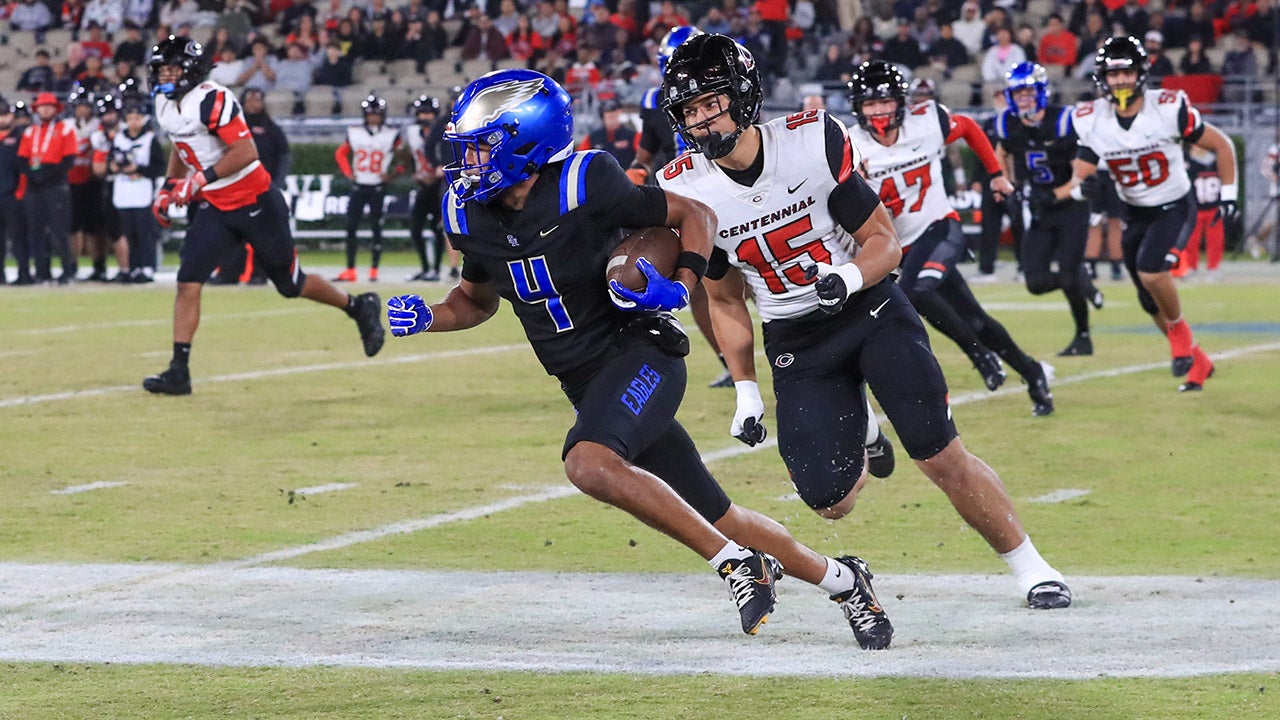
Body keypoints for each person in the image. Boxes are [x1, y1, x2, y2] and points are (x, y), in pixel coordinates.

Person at [384, 68, 895, 646]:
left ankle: (736, 565)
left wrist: (681, 283)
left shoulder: (584, 181)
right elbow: (476, 302)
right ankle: (845, 581)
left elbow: (694, 217)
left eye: (482, 146)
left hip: (642, 354)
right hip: (585, 381)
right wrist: (432, 314)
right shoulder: (466, 214)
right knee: (721, 515)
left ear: (527, 138)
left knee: (588, 463)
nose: (468, 162)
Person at [657, 34, 1070, 610]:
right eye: (691, 110)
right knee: (830, 502)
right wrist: (746, 391)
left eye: (712, 102)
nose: (702, 120)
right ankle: (867, 429)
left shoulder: (809, 141)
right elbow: (724, 300)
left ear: (744, 94)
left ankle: (1033, 568)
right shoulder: (684, 186)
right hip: (795, 339)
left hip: (869, 309)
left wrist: (848, 277)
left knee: (937, 451)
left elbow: (883, 240)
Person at [142, 35, 385, 396]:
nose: (165, 76)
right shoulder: (165, 103)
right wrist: (167, 188)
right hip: (216, 205)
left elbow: (245, 151)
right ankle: (179, 369)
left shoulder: (212, 98)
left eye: (172, 68)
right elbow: (182, 144)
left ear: (190, 70)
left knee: (290, 284)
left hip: (254, 200)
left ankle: (358, 306)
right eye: (161, 69)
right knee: (188, 280)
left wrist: (196, 182)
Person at [847, 60, 1056, 417]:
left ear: (901, 102)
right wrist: (856, 182)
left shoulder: (926, 121)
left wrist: (995, 174)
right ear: (858, 108)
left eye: (885, 101)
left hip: (939, 227)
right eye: (870, 103)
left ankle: (980, 356)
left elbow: (970, 128)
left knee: (915, 293)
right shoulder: (849, 144)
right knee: (975, 319)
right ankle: (1033, 373)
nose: (879, 111)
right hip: (899, 248)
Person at [1062, 36, 1236, 393]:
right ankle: (1198, 360)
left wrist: (1229, 194)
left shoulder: (1167, 108)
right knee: (1146, 297)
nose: (1121, 81)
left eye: (1127, 72)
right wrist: (1085, 188)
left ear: (1141, 73)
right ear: (1102, 79)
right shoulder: (1093, 118)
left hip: (1175, 205)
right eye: (1113, 74)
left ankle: (1180, 340)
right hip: (1135, 211)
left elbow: (1221, 144)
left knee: (1152, 272)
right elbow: (1080, 178)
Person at [631, 25, 734, 389]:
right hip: (684, 192)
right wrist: (636, 170)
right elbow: (645, 153)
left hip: (728, 184)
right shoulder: (653, 101)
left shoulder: (726, 93)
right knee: (699, 283)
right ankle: (731, 362)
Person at [994, 62, 1104, 357]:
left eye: (1029, 92)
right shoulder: (1007, 123)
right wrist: (1008, 185)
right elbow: (1001, 152)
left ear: (1042, 91)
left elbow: (1083, 171)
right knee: (1035, 282)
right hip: (1040, 207)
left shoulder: (1065, 121)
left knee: (1067, 274)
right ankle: (1083, 281)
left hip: (1072, 205)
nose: (1023, 99)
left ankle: (1083, 336)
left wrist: (1056, 195)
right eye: (1018, 94)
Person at [333, 94, 402, 283]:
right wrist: (348, 173)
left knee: (376, 227)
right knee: (351, 226)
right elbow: (340, 153)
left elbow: (404, 158)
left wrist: (393, 174)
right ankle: (350, 269)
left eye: (377, 114)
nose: (374, 118)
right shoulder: (355, 132)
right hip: (359, 184)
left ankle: (373, 269)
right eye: (371, 114)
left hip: (377, 186)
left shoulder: (391, 134)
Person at [18, 91, 78, 284]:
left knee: (59, 229)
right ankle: (42, 271)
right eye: (40, 107)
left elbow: (69, 160)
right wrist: (34, 175)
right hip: (34, 186)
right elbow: (21, 159)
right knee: (35, 230)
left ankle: (67, 270)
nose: (44, 109)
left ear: (55, 109)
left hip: (56, 184)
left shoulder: (65, 129)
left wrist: (47, 174)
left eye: (47, 106)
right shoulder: (30, 131)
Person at [102, 100, 163, 283]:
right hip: (123, 192)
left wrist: (139, 170)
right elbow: (111, 161)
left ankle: (147, 266)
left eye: (137, 118)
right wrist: (114, 166)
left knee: (144, 231)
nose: (133, 122)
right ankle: (132, 266)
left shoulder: (150, 139)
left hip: (142, 191)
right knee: (127, 232)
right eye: (130, 118)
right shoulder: (120, 138)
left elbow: (158, 167)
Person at [403, 94, 447, 282]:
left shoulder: (444, 129)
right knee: (415, 227)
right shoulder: (412, 131)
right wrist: (413, 171)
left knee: (438, 227)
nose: (425, 116)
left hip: (439, 183)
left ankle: (436, 269)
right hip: (423, 184)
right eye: (422, 113)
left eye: (428, 113)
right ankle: (425, 267)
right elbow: (409, 155)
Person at [1173, 144, 1223, 281]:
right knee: (1191, 239)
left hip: (1214, 207)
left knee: (1215, 240)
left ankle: (1213, 267)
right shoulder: (1187, 161)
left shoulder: (1217, 160)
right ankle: (1191, 266)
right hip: (1195, 208)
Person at [0, 100, 30, 285]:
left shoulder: (21, 137)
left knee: (19, 237)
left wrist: (21, 193)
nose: (2, 118)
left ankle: (24, 274)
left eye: (5, 114)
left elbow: (25, 167)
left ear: (11, 116)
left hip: (13, 194)